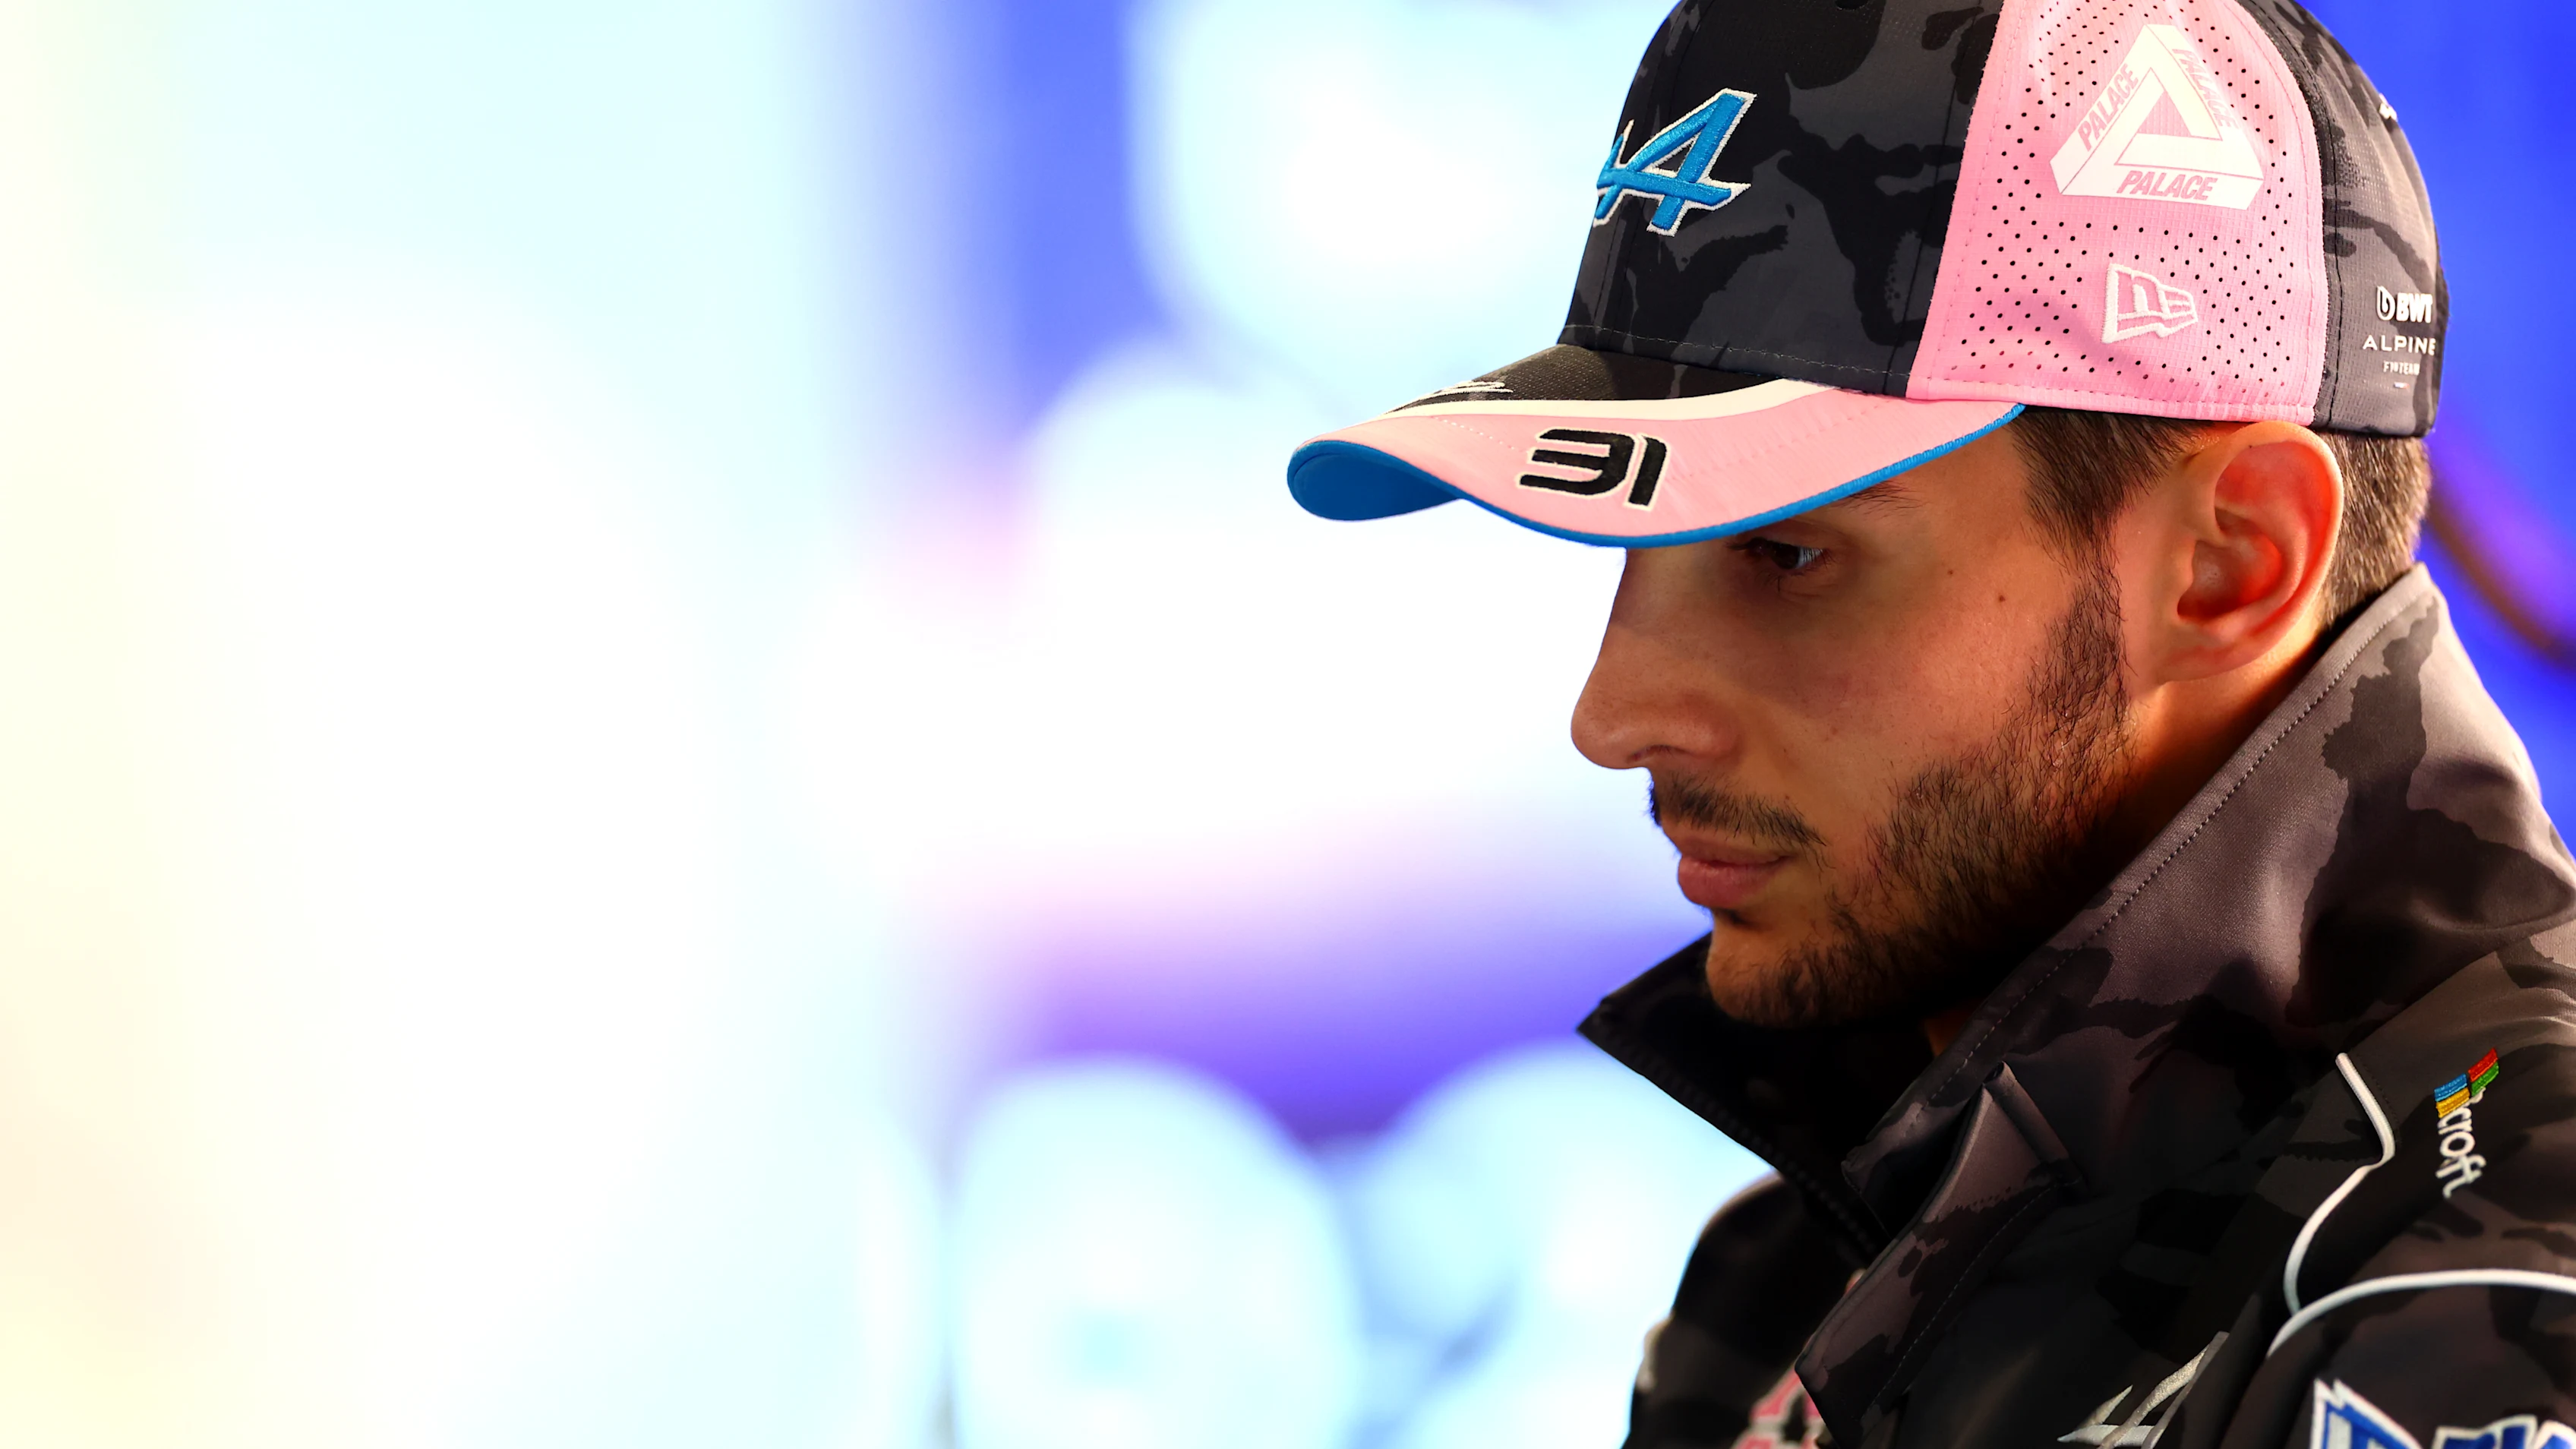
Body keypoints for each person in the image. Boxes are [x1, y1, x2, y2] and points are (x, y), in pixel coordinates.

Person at [1283, 1, 2576, 1445]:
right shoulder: (1794, 1274)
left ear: (2232, 563)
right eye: (1636, 556)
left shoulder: (2511, 1266)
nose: (1614, 715)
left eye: (1788, 553)